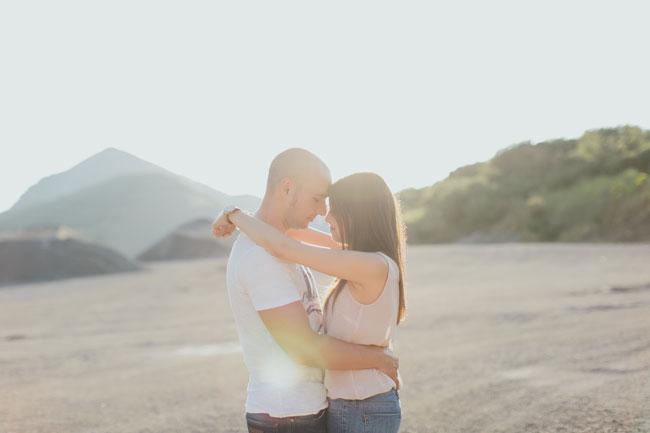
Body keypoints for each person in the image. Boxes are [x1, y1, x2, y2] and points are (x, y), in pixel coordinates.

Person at [214, 156, 406, 433]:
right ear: (288, 188)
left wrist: (235, 215)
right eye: (318, 199)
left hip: (342, 407)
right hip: (289, 414)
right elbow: (287, 239)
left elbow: (285, 243)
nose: (323, 213)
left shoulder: (370, 264)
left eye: (331, 206)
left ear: (359, 213)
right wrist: (236, 215)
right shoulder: (258, 257)